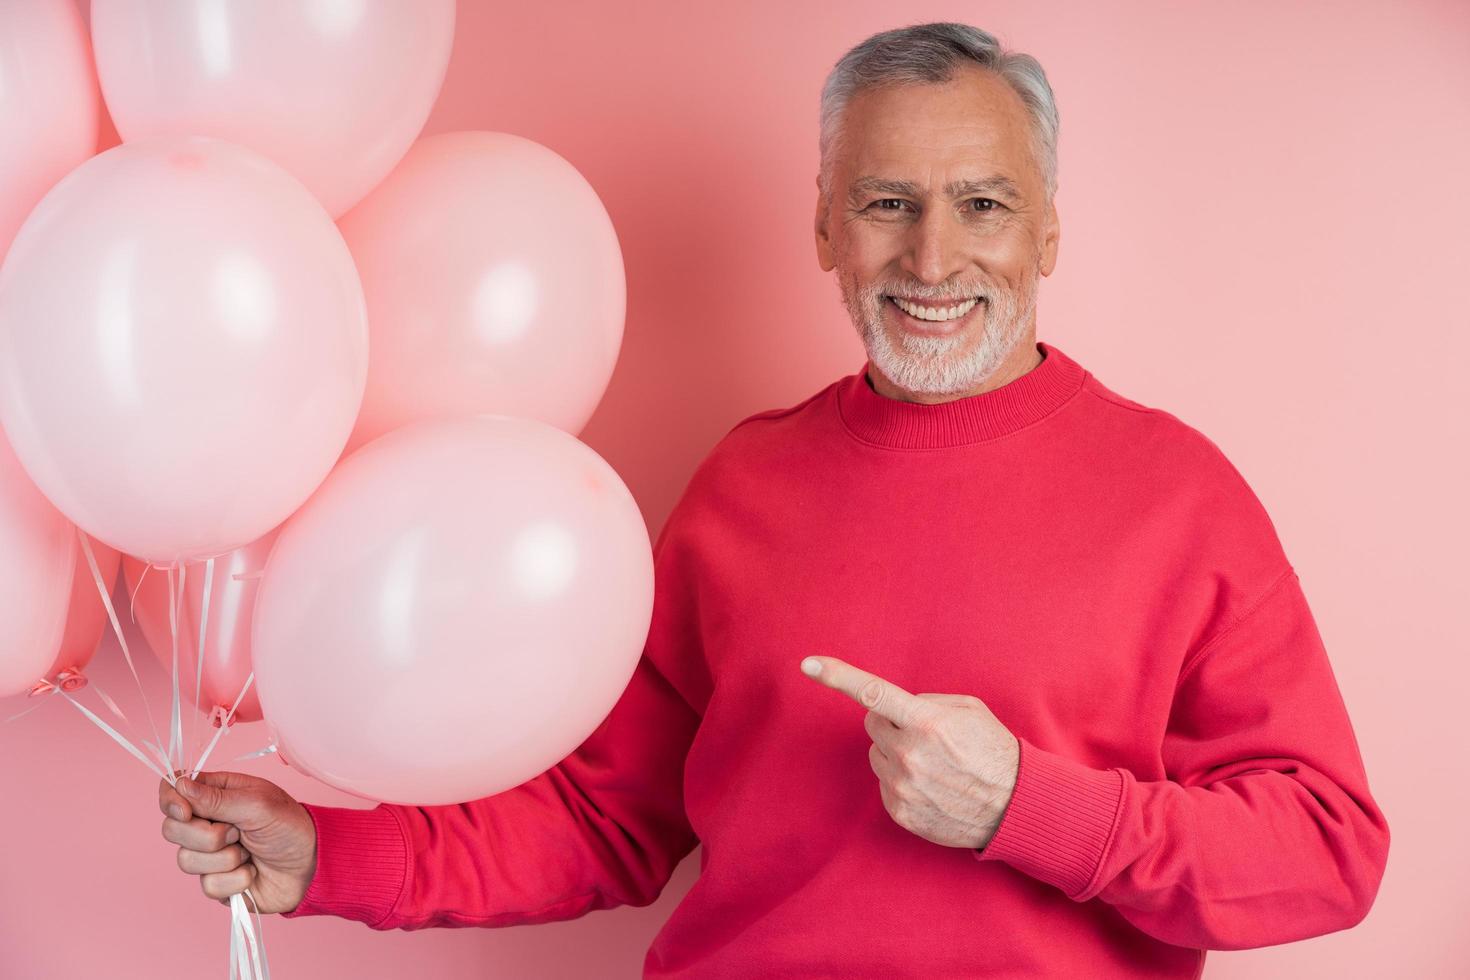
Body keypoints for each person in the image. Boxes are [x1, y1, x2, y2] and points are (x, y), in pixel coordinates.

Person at [156, 22, 1390, 978]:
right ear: (823, 226)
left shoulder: (1179, 496)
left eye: (984, 205)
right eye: (886, 203)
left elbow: (1328, 849)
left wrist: (1033, 804)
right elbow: (605, 815)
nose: (932, 259)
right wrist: (331, 854)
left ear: (1049, 232)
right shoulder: (744, 485)